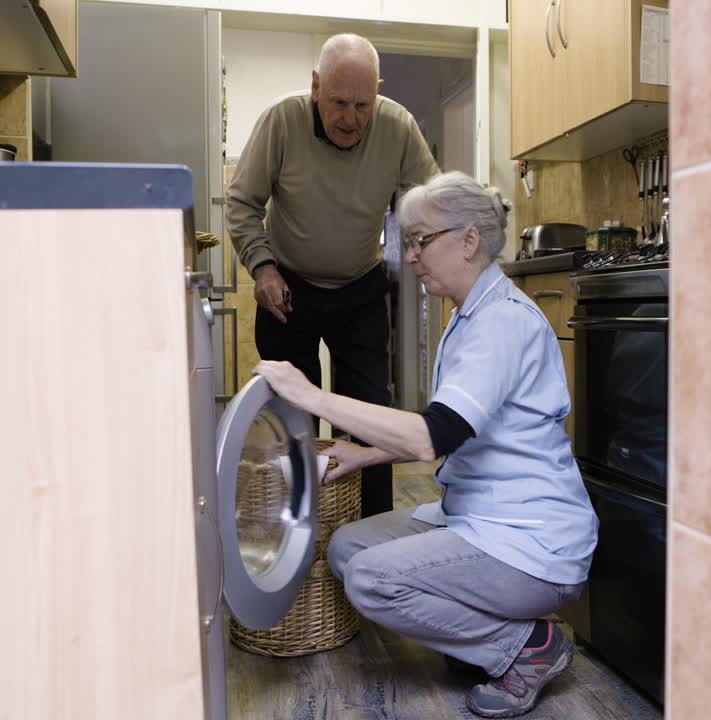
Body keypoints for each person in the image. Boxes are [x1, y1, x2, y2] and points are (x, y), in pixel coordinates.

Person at [253, 172, 598, 718]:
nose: (409, 255)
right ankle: (488, 634)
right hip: (481, 519)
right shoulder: (470, 314)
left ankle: (526, 647)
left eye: (420, 240)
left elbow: (430, 436)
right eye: (407, 241)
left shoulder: (500, 324)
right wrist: (366, 454)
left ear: (468, 240)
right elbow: (453, 426)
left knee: (372, 579)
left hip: (531, 544)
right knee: (348, 548)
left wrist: (312, 397)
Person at [225, 33, 438, 518]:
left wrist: (418, 247)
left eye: (363, 105)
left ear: (378, 91)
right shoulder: (282, 120)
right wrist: (262, 266)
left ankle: (372, 531)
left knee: (370, 415)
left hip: (360, 287)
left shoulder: (398, 126)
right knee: (290, 419)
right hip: (288, 288)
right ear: (316, 86)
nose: (351, 119)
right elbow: (241, 202)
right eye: (339, 102)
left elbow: (429, 200)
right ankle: (294, 536)